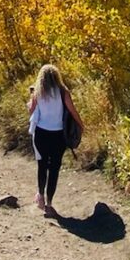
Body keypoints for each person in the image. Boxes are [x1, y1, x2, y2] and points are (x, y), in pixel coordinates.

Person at [27, 63, 83, 216]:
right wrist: (80, 124)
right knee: (54, 169)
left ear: (42, 77)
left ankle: (40, 196)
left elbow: (31, 111)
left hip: (41, 134)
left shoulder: (38, 91)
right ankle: (49, 204)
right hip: (58, 136)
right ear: (57, 76)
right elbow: (72, 110)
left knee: (42, 165)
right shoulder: (63, 91)